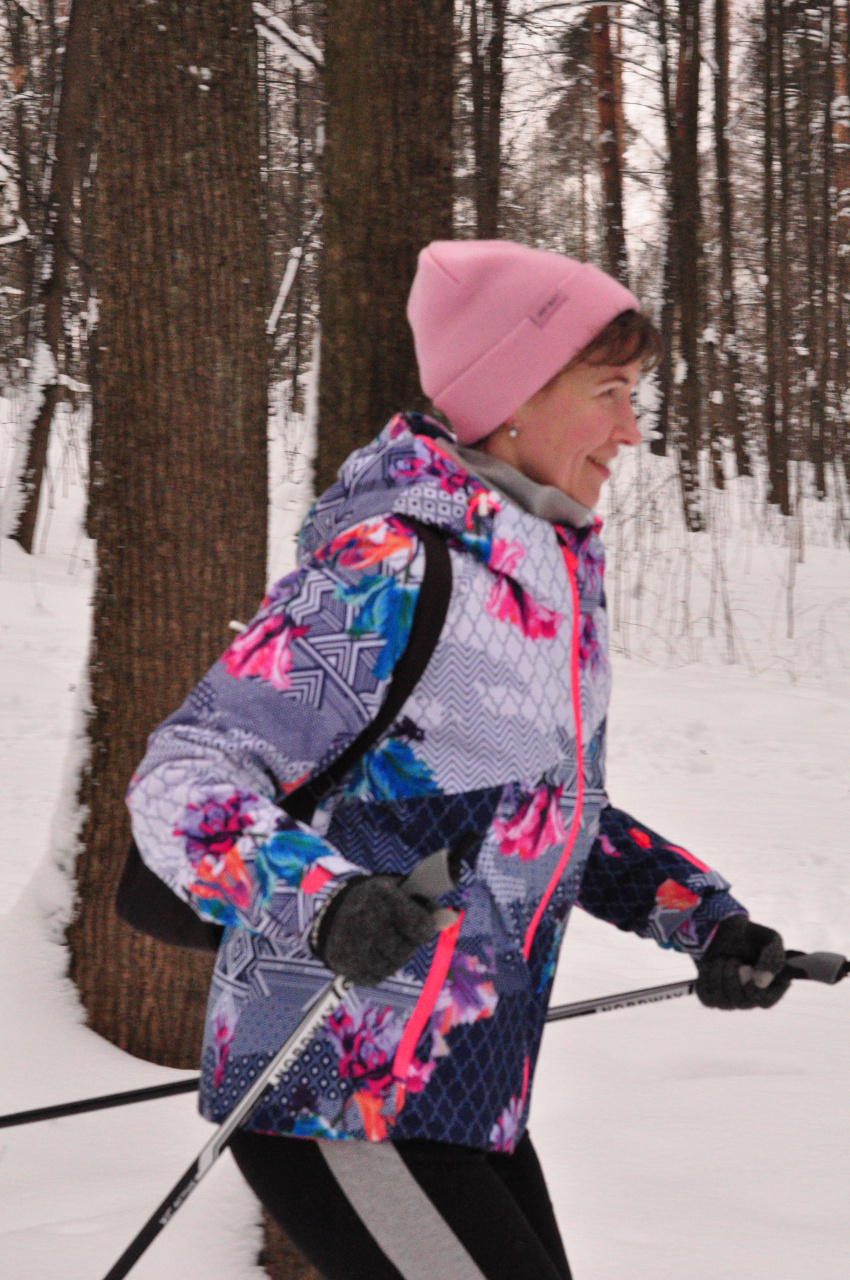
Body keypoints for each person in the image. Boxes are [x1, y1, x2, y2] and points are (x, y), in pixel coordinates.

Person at [127, 240, 791, 1280]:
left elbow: (536, 810)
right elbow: (186, 773)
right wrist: (324, 901)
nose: (631, 429)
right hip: (337, 1088)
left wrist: (708, 920)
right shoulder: (389, 567)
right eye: (609, 393)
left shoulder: (546, 578)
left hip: (457, 1088)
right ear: (514, 396)